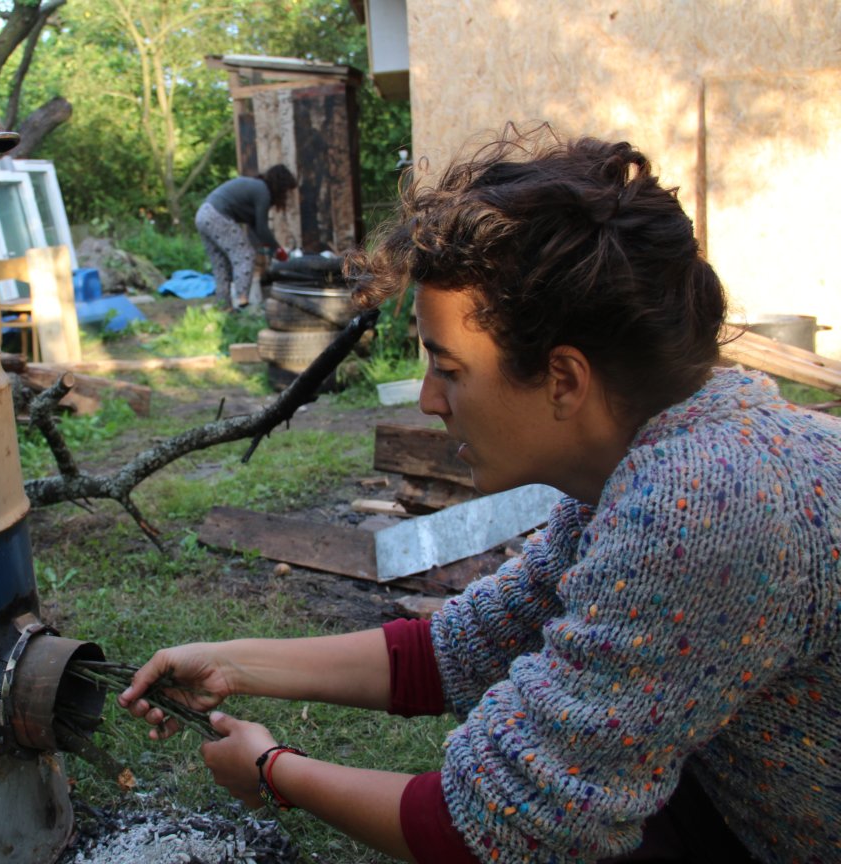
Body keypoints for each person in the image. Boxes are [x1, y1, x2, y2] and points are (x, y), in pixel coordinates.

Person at [120, 128, 841, 863]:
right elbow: (467, 647)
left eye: (451, 370)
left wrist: (275, 772)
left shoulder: (703, 506)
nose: (429, 399)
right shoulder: (646, 462)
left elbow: (499, 827)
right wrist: (234, 666)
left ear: (563, 379)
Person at [195, 164, 297, 309]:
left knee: (221, 265)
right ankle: (242, 302)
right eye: (286, 191)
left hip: (203, 214)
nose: (286, 196)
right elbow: (262, 228)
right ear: (280, 186)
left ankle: (223, 307)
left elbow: (256, 227)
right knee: (245, 255)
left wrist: (270, 249)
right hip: (216, 215)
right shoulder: (263, 191)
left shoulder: (256, 188)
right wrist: (279, 251)